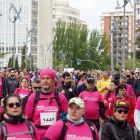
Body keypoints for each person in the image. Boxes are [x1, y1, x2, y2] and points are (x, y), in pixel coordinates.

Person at [25, 68, 68, 140]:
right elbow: (27, 119)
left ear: (52, 80)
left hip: (56, 136)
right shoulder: (33, 97)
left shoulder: (60, 97)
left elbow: (66, 118)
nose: (45, 81)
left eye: (48, 78)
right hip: (37, 135)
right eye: (43, 78)